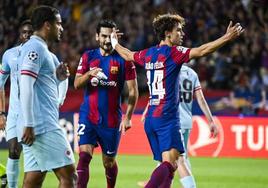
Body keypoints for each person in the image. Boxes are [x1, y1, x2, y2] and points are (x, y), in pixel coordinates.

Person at [111, 13, 243, 187]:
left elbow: (127, 54)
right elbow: (203, 50)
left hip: (151, 118)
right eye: (178, 31)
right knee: (170, 164)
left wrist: (114, 42)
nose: (182, 34)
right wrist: (227, 37)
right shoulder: (174, 53)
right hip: (167, 118)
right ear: (167, 33)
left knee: (170, 166)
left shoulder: (148, 54)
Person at [74, 19, 138, 188]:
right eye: (104, 36)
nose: (107, 40)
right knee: (84, 157)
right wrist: (89, 74)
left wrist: (129, 117)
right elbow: (76, 83)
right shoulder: (88, 56)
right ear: (97, 37)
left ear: (116, 37)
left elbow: (133, 91)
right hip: (88, 116)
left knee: (108, 162)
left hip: (111, 120)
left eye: (111, 36)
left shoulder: (125, 60)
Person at [18, 5, 76, 188]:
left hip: (37, 123)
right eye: (58, 24)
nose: (62, 28)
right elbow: (26, 85)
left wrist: (59, 79)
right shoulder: (35, 48)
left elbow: (48, 93)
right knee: (70, 176)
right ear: (47, 25)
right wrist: (29, 123)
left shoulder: (45, 53)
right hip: (41, 125)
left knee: (33, 180)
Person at [138, 64, 218, 187]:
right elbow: (201, 99)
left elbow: (159, 94)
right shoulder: (192, 73)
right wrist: (211, 121)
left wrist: (147, 110)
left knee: (179, 160)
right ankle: (155, 182)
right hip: (186, 121)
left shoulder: (168, 71)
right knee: (169, 158)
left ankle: (189, 186)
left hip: (171, 120)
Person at [0, 20, 33, 188]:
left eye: (30, 32)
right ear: (20, 34)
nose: (27, 35)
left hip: (32, 114)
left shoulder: (39, 54)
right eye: (24, 32)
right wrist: (1, 113)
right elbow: (0, 83)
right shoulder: (9, 55)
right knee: (13, 150)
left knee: (30, 156)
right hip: (13, 114)